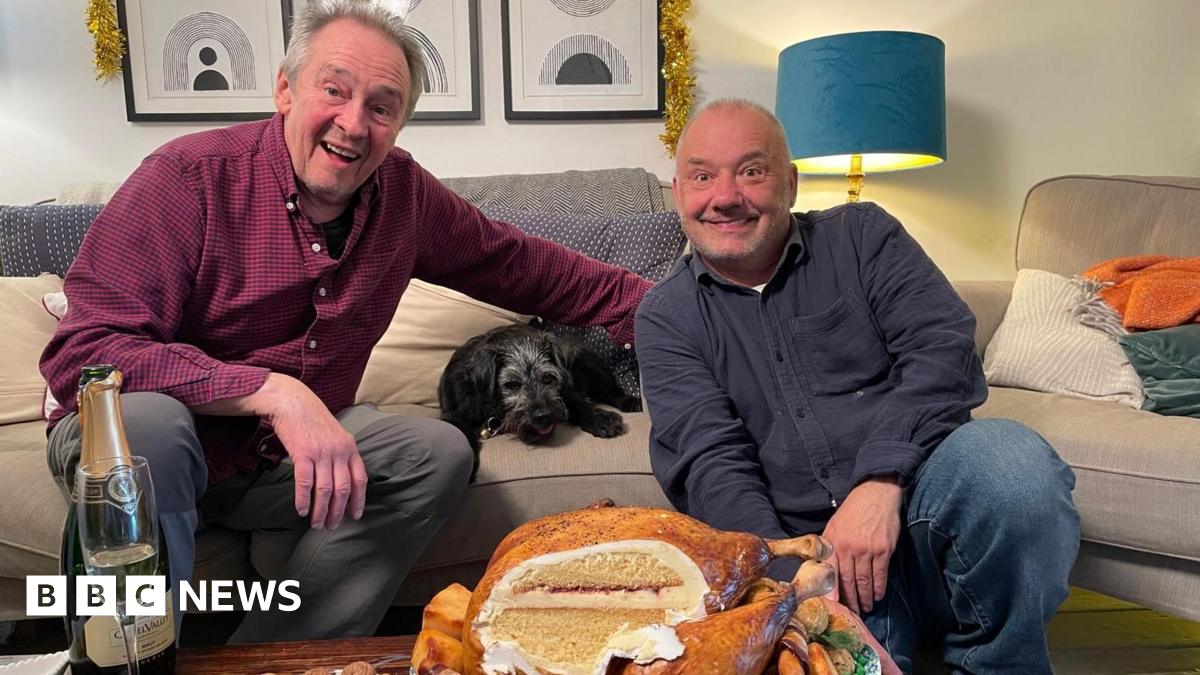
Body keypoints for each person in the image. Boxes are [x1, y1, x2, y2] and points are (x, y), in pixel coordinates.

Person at [40, 0, 650, 644]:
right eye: (334, 90)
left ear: (400, 123)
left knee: (438, 452)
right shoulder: (185, 179)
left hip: (277, 463)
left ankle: (273, 659)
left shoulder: (408, 199)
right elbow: (86, 353)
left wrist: (700, 317)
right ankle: (131, 655)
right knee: (149, 422)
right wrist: (274, 393)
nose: (353, 124)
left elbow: (538, 271)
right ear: (285, 89)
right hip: (154, 447)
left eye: (382, 106)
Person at [635, 99, 1080, 674]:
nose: (725, 196)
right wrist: (795, 586)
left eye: (752, 171)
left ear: (789, 184)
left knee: (1013, 465)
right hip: (818, 572)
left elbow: (941, 349)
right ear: (679, 192)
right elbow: (710, 462)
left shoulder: (864, 237)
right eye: (702, 175)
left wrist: (880, 481)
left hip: (922, 512)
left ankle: (996, 662)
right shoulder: (664, 315)